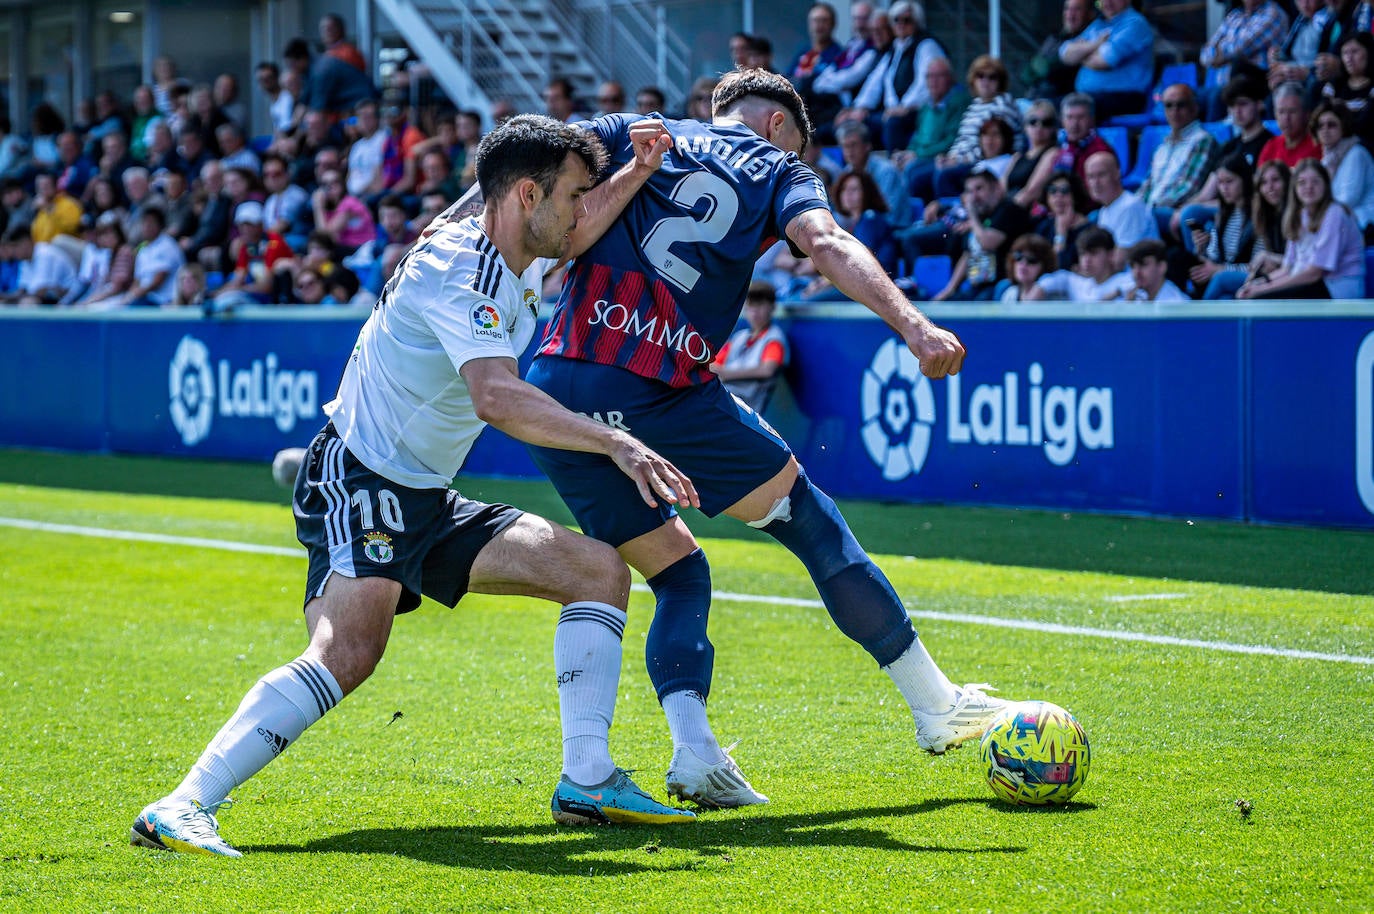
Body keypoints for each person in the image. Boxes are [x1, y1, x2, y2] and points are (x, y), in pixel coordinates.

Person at [131, 114, 701, 859]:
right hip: (361, 475)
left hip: (424, 493)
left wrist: (637, 170)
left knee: (595, 570)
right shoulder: (462, 271)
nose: (580, 209)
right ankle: (181, 804)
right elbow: (497, 397)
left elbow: (576, 225)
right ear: (527, 194)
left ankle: (587, 781)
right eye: (572, 194)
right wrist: (615, 440)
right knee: (347, 653)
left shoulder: (509, 234)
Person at [443, 68, 1008, 809]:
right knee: (809, 519)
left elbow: (521, 168)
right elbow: (827, 242)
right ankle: (936, 705)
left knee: (678, 573)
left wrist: (443, 230)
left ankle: (695, 752)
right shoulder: (779, 166)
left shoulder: (634, 129)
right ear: (778, 125)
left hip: (558, 388)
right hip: (658, 386)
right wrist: (914, 324)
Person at [1238, 158, 1366, 298]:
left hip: (1336, 287)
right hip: (1312, 283)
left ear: (1326, 185)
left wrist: (1263, 290)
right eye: (1302, 183)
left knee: (1260, 298)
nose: (1309, 187)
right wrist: (1260, 283)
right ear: (1295, 188)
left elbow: (1314, 273)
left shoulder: (1335, 213)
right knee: (1248, 291)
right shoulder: (1300, 215)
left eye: (1315, 181)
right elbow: (1288, 268)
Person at [1169, 76, 1273, 246]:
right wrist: (1179, 211)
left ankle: (1204, 266)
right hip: (1224, 206)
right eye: (1232, 106)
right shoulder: (1228, 147)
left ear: (1259, 104)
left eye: (1243, 104)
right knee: (1176, 213)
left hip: (1249, 209)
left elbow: (1256, 194)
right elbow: (1206, 193)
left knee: (1192, 214)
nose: (1237, 111)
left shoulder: (1269, 144)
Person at [844, 0, 948, 150]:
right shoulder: (896, 48)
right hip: (895, 111)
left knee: (893, 123)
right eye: (896, 20)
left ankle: (895, 163)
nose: (901, 24)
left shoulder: (926, 45)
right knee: (855, 124)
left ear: (916, 22)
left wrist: (903, 107)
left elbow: (924, 83)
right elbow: (876, 81)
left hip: (919, 109)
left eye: (907, 20)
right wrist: (860, 107)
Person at [930, 163, 1032, 301]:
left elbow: (987, 243)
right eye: (969, 191)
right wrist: (949, 289)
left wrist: (971, 214)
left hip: (1003, 285)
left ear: (996, 188)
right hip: (978, 284)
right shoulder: (981, 216)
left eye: (979, 189)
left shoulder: (1009, 210)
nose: (973, 197)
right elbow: (968, 255)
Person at [929, 55, 1022, 198]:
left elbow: (993, 146)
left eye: (992, 77)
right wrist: (949, 157)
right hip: (962, 160)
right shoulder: (975, 106)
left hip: (989, 164)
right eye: (980, 76)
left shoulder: (1003, 105)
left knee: (943, 176)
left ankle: (952, 214)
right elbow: (962, 140)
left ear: (1000, 82)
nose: (985, 81)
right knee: (917, 172)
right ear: (974, 79)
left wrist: (957, 161)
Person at [1138, 84, 1218, 237]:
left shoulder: (1203, 141)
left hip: (1175, 211)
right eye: (1169, 106)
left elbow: (1189, 187)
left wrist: (1147, 209)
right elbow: (1147, 185)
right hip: (1152, 210)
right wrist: (1135, 206)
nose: (1174, 111)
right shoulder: (1163, 146)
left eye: (1181, 105)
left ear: (1194, 108)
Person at [1058, 0, 1155, 120]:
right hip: (1091, 98)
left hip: (1124, 97)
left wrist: (1080, 54)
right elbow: (1065, 53)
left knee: (1066, 111)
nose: (1107, 1)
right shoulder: (1099, 24)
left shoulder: (1135, 23)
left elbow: (1104, 60)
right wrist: (1095, 45)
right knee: (1048, 107)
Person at [1016, 92, 1112, 210]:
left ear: (1092, 120)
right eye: (1070, 117)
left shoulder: (1100, 151)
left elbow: (1097, 196)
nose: (1074, 124)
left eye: (1081, 117)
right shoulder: (1060, 147)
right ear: (1062, 120)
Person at [1198, 0, 1290, 121]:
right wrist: (1221, 53)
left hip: (1259, 81)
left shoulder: (1273, 13)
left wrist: (1220, 50)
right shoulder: (1234, 15)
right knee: (1191, 98)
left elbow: (1240, 48)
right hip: (1226, 83)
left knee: (1217, 96)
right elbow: (1205, 55)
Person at [711, 280, 789, 413]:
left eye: (760, 305)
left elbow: (767, 370)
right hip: (725, 398)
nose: (755, 312)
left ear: (772, 307)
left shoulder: (774, 338)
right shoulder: (740, 337)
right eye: (751, 306)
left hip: (746, 408)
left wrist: (726, 373)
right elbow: (713, 365)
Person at [1185, 155, 1257, 299]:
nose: (1224, 188)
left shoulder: (1258, 215)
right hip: (1225, 276)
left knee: (1221, 281)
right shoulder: (1223, 215)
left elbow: (1257, 266)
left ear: (1244, 180)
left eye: (1229, 182)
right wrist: (1202, 248)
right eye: (1220, 183)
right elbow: (1214, 258)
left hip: (1249, 279)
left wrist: (1219, 269)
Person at [1083, 149, 1159, 269]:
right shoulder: (1104, 210)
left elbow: (1119, 262)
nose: (1095, 183)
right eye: (1091, 177)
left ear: (1117, 173)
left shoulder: (1130, 206)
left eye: (1101, 175)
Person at [1312, 98, 1374, 239]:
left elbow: (1348, 200)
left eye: (1331, 125)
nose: (1325, 130)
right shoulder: (1327, 159)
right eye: (1320, 126)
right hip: (1340, 223)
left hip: (1364, 224)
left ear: (1344, 126)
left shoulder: (1357, 153)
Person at [1026, 225, 1132, 300]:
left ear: (1110, 255)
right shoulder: (1077, 283)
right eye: (1082, 254)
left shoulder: (1127, 282)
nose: (1086, 260)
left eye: (1093, 253)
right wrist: (1039, 289)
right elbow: (1054, 280)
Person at [1022, 0, 1095, 103]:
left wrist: (1042, 66)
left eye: (1077, 9)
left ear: (1090, 14)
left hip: (1061, 103)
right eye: (1067, 9)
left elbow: (1051, 70)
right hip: (1032, 100)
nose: (1070, 14)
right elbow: (1026, 75)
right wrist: (1042, 67)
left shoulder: (1088, 40)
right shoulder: (1054, 38)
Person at [1320, 32, 1374, 142]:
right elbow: (1320, 118)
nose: (1349, 58)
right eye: (1345, 53)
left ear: (1369, 53)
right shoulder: (1334, 86)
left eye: (1355, 52)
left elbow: (1364, 125)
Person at [1034, 170, 1094, 270]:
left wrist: (1061, 235)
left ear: (1075, 195)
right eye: (1052, 190)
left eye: (1064, 190)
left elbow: (1060, 269)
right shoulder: (1044, 226)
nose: (1058, 196)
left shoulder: (1089, 230)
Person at [1258, 83, 1322, 167]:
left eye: (1292, 111)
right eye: (1281, 112)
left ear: (1306, 114)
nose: (1286, 118)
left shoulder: (1317, 146)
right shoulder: (1271, 147)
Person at [996, 234, 1056, 301]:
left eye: (1031, 260)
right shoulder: (1010, 294)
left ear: (1045, 265)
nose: (1023, 263)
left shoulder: (1053, 296)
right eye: (1018, 257)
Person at [1123, 239, 1188, 301]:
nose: (1136, 272)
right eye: (1132, 266)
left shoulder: (1177, 304)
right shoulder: (1135, 299)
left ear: (1162, 267)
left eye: (1143, 264)